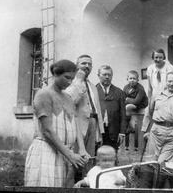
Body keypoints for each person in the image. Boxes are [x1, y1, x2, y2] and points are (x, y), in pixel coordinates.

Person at [24, 59, 89, 187]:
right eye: (66, 77)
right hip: (46, 153)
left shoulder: (68, 97)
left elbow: (75, 124)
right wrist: (70, 155)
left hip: (63, 153)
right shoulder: (44, 94)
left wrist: (81, 149)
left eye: (72, 78)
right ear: (55, 74)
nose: (70, 82)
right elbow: (47, 130)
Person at [65, 54, 104, 181]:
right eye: (83, 63)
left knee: (89, 161)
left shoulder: (93, 86)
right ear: (77, 65)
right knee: (75, 161)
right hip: (77, 126)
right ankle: (71, 186)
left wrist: (100, 132)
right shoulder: (70, 82)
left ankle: (86, 184)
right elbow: (70, 102)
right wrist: (79, 80)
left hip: (93, 124)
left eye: (89, 64)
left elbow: (97, 109)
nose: (87, 66)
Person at [141, 48, 173, 134]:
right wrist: (149, 102)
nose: (158, 59)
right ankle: (145, 135)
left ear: (164, 57)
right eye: (156, 57)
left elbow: (171, 85)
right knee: (148, 113)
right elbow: (149, 88)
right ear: (153, 57)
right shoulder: (150, 68)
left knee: (162, 116)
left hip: (165, 95)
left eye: (160, 57)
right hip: (154, 95)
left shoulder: (169, 67)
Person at [96, 65, 127, 153]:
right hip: (98, 131)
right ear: (98, 75)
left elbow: (123, 114)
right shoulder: (93, 91)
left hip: (113, 131)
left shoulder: (119, 92)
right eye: (104, 74)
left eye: (109, 75)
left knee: (112, 155)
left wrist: (122, 132)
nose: (107, 77)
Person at [123, 70, 148, 151]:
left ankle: (128, 126)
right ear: (127, 79)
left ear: (138, 79)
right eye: (130, 78)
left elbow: (136, 101)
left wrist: (127, 99)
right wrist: (126, 99)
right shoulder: (126, 87)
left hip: (140, 105)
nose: (132, 80)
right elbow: (122, 98)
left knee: (128, 107)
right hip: (133, 104)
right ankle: (127, 126)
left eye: (134, 78)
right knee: (123, 108)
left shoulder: (140, 88)